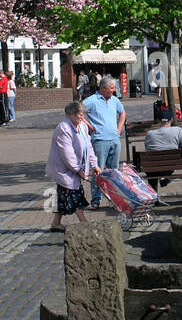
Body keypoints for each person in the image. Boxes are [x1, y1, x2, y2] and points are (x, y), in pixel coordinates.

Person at [46, 100, 99, 231]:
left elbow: (88, 147)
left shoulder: (82, 126)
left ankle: (55, 223)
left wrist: (94, 164)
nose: (82, 117)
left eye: (83, 114)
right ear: (70, 114)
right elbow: (67, 153)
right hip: (63, 168)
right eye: (79, 114)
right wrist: (78, 170)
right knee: (74, 193)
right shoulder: (63, 128)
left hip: (74, 167)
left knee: (63, 195)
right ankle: (84, 222)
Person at [83, 75, 125, 209]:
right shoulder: (92, 100)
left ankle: (115, 199)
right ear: (103, 88)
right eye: (112, 88)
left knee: (114, 172)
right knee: (98, 171)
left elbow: (122, 113)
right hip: (100, 141)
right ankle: (96, 200)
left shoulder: (114, 100)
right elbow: (78, 111)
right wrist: (89, 126)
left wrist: (119, 129)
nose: (114, 90)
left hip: (115, 140)